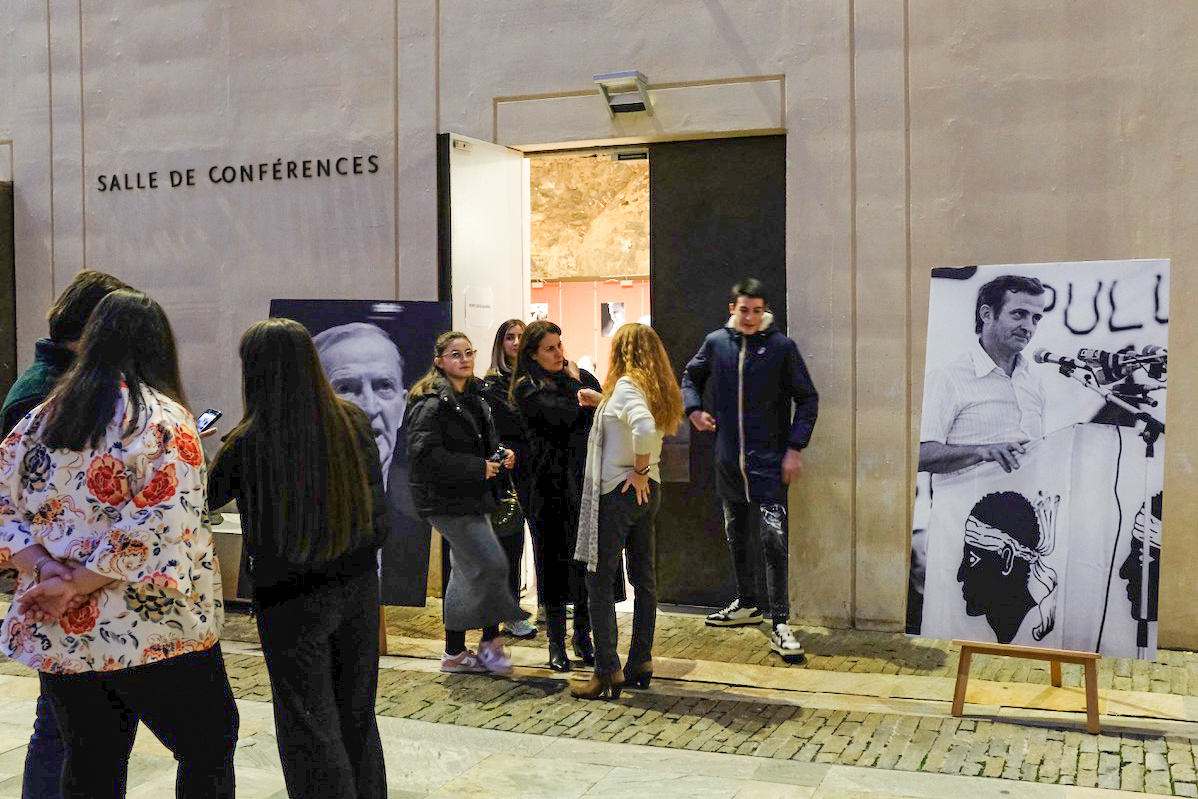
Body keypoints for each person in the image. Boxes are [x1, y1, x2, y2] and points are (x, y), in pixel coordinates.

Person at [0, 290, 236, 798]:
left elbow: (3, 501)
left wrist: (47, 572)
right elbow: (159, 525)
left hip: (65, 632)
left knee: (92, 761)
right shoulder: (165, 421)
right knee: (208, 748)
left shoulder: (41, 418)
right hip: (155, 626)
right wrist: (78, 583)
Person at [208, 318, 388, 797]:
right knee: (356, 715)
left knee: (307, 722)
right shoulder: (350, 421)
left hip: (289, 598)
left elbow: (203, 498)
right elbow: (378, 511)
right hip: (357, 587)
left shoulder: (247, 441)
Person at [0, 269, 130, 799]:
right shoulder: (43, 395)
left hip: (70, 580)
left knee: (70, 726)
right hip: (57, 580)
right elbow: (20, 497)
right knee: (58, 727)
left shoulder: (59, 383)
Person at [682, 278, 818, 661]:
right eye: (744, 310)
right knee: (735, 531)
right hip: (729, 461)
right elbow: (690, 376)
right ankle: (747, 602)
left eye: (757, 310)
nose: (751, 317)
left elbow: (807, 399)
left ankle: (780, 623)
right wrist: (693, 410)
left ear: (764, 311)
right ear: (732, 308)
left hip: (770, 464)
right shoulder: (715, 343)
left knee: (773, 540)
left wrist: (794, 448)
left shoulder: (781, 347)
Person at [572, 323, 683, 699]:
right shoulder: (652, 387)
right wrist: (599, 400)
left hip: (619, 492)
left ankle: (606, 670)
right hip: (649, 491)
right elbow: (637, 419)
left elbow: (643, 426)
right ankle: (641, 660)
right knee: (644, 579)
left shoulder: (625, 386)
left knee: (598, 578)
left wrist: (635, 470)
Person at [406, 331, 526, 674]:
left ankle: (473, 650)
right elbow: (424, 456)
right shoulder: (430, 401)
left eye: (468, 353)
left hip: (474, 496)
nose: (464, 359)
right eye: (456, 354)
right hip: (447, 500)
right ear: (439, 361)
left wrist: (501, 455)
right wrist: (477, 467)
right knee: (487, 566)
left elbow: (481, 442)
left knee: (478, 569)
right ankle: (463, 650)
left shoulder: (475, 395)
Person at [511, 320, 603, 671]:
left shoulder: (575, 380)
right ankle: (556, 643)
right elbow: (567, 415)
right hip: (546, 488)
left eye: (560, 346)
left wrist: (582, 390)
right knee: (551, 563)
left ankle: (584, 636)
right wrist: (579, 387)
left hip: (580, 482)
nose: (558, 354)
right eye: (550, 348)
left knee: (583, 563)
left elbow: (600, 412)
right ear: (533, 353)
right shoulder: (527, 388)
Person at [313, 321, 426, 606]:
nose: (370, 408)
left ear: (402, 405)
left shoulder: (418, 512)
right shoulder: (305, 502)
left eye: (383, 386)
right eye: (346, 388)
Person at [918, 275, 1049, 476]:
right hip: (966, 507)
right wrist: (980, 452)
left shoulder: (1034, 383)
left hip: (1025, 505)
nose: (1028, 327)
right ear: (987, 314)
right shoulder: (948, 377)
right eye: (1019, 314)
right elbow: (918, 455)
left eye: (1036, 318)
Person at [481, 319, 537, 640]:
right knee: (508, 545)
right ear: (501, 343)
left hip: (536, 471)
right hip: (505, 474)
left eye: (521, 337)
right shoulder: (491, 385)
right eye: (510, 337)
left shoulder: (535, 380)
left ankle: (548, 605)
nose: (516, 342)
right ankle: (506, 612)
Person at [957, 491, 1059, 644]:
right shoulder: (1021, 629)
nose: (960, 575)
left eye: (972, 559)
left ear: (1006, 560)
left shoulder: (1033, 633)